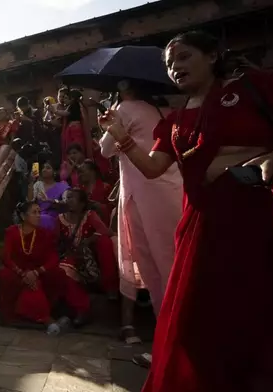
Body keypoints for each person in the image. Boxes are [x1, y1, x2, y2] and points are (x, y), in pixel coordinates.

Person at [98, 31, 273, 391]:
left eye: (183, 57)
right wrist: (119, 135)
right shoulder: (175, 121)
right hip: (201, 227)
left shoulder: (255, 89)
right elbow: (152, 167)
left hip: (255, 224)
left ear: (212, 55)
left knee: (257, 315)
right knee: (196, 322)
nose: (175, 67)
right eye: (170, 64)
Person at [100, 80, 183, 344]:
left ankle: (169, 339)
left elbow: (105, 149)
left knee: (155, 266)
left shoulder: (123, 109)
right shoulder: (164, 108)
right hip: (174, 189)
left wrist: (110, 122)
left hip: (143, 193)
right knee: (176, 259)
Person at [0, 201, 89, 333]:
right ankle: (47, 319)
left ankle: (80, 310)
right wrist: (23, 273)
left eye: (39, 212)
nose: (38, 216)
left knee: (58, 274)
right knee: (8, 276)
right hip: (18, 272)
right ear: (23, 216)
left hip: (37, 271)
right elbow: (6, 257)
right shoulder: (12, 232)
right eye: (34, 212)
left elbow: (52, 257)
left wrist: (36, 272)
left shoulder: (44, 234)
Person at [57, 188, 118, 300]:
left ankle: (110, 288)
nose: (67, 200)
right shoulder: (59, 218)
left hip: (89, 258)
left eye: (71, 198)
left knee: (105, 242)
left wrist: (90, 239)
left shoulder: (89, 215)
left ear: (81, 204)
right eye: (66, 198)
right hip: (70, 256)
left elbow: (105, 231)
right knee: (64, 269)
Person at [50, 87, 92, 161]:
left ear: (72, 99)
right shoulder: (75, 105)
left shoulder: (74, 106)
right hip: (74, 129)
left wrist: (55, 111)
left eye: (66, 98)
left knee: (75, 147)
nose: (64, 100)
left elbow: (66, 113)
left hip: (74, 130)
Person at [31, 161, 70, 230]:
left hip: (54, 217)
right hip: (38, 214)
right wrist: (32, 181)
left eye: (48, 168)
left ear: (54, 172)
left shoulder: (62, 186)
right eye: (43, 168)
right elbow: (30, 201)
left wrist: (51, 201)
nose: (44, 170)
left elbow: (67, 203)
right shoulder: (37, 185)